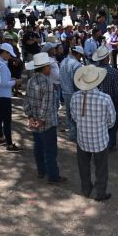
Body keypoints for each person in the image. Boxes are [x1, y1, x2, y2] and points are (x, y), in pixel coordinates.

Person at [70, 65, 116, 201]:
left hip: (82, 139)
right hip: (100, 140)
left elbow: (74, 117)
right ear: (98, 81)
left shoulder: (75, 97)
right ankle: (100, 193)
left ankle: (86, 189)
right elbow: (111, 121)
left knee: (84, 167)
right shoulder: (105, 98)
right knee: (101, 168)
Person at [24, 53, 67, 184]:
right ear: (44, 67)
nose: (50, 69)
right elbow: (46, 105)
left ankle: (41, 171)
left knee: (38, 148)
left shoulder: (31, 80)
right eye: (49, 66)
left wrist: (30, 117)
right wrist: (40, 120)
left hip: (35, 121)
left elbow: (27, 101)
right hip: (46, 123)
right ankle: (53, 176)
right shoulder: (47, 83)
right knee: (50, 151)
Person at [0, 43, 22, 152]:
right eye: (9, 54)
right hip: (4, 95)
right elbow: (3, 83)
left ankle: (0, 137)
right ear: (4, 52)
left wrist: (11, 79)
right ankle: (9, 144)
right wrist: (15, 81)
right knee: (7, 120)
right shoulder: (2, 65)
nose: (10, 57)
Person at [95, 46, 118, 151]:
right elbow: (117, 91)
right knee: (112, 123)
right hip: (111, 102)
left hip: (96, 101)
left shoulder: (94, 70)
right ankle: (110, 144)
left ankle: (102, 142)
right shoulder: (113, 72)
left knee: (100, 122)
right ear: (106, 58)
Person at [60, 45, 83, 141]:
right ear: (77, 54)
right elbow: (77, 82)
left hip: (65, 91)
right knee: (76, 115)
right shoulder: (77, 65)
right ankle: (75, 135)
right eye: (80, 55)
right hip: (74, 92)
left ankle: (71, 134)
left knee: (69, 114)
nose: (81, 57)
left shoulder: (63, 61)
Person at [41, 42, 61, 112]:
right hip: (52, 84)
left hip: (56, 83)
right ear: (48, 51)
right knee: (54, 102)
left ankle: (55, 116)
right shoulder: (47, 60)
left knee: (56, 102)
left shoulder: (52, 58)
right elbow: (46, 72)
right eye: (53, 49)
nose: (55, 49)